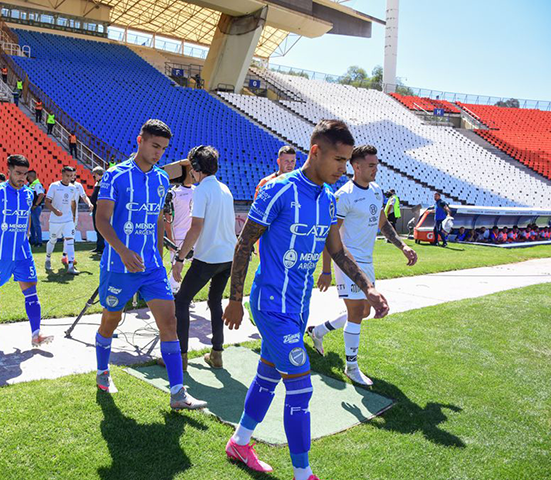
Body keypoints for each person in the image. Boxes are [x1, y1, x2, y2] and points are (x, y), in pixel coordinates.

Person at [221, 120, 389, 480]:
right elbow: (244, 243)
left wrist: (367, 287)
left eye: (346, 162)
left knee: (267, 375)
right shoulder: (278, 190)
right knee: (301, 386)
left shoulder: (329, 198)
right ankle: (303, 474)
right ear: (316, 152)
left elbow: (339, 252)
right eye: (339, 160)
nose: (343, 168)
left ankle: (240, 441)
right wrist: (235, 299)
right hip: (269, 306)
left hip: (298, 308)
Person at [94, 119, 206, 410]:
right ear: (139, 140)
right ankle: (102, 372)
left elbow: (157, 219)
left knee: (169, 322)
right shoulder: (114, 176)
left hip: (152, 267)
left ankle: (178, 393)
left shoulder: (159, 179)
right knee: (111, 319)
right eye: (155, 145)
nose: (159, 153)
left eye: (163, 148)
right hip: (119, 265)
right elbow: (102, 220)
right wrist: (122, 251)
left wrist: (158, 252)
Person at [311, 145, 417, 386]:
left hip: (367, 261)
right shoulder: (344, 195)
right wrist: (326, 270)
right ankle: (352, 367)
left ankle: (319, 331)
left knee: (363, 311)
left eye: (376, 165)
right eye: (371, 165)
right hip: (347, 261)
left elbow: (383, 223)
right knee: (358, 312)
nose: (375, 170)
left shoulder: (377, 191)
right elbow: (332, 236)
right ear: (355, 167)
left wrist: (403, 246)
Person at [0, 154, 53, 347]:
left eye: (25, 174)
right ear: (8, 170)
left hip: (23, 253)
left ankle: (36, 334)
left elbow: (27, 218)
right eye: (18, 173)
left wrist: (28, 235)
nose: (22, 178)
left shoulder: (28, 193)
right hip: (0, 252)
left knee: (31, 292)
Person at [170, 145, 236, 370]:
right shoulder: (225, 189)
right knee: (214, 301)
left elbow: (196, 227)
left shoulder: (201, 191)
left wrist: (179, 259)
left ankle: (181, 357)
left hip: (208, 257)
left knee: (181, 301)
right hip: (227, 257)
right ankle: (217, 353)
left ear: (196, 168)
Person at [44, 166, 78, 274]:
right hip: (55, 220)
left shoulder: (73, 188)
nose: (69, 178)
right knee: (52, 240)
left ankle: (71, 266)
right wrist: (55, 210)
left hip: (67, 219)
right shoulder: (54, 186)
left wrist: (73, 216)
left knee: (70, 240)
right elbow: (47, 202)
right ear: (62, 175)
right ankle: (48, 259)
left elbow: (73, 203)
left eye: (71, 176)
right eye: (67, 176)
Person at [164, 173, 195, 293]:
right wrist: (171, 240)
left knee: (196, 266)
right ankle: (173, 293)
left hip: (194, 235)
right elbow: (167, 218)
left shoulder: (197, 191)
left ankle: (185, 293)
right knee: (176, 268)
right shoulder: (173, 193)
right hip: (178, 235)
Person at [26, 170, 45, 248]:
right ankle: (33, 240)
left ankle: (39, 241)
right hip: (31, 208)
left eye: (28, 177)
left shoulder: (37, 184)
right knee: (32, 225)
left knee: (36, 224)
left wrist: (36, 205)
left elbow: (41, 195)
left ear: (31, 177)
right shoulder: (30, 185)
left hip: (35, 208)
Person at [90, 166, 105, 254]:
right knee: (97, 227)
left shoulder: (103, 182)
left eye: (94, 175)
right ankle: (99, 246)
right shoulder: (98, 183)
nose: (93, 177)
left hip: (99, 208)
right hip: (95, 207)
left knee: (100, 227)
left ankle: (103, 247)